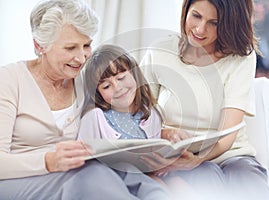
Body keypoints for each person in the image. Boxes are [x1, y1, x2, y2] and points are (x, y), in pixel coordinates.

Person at [0, 1, 168, 200]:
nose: (81, 58)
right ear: (40, 46)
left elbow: (115, 116)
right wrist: (48, 161)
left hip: (79, 169)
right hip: (22, 179)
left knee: (136, 178)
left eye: (86, 45)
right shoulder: (9, 80)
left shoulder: (84, 79)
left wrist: (166, 132)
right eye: (70, 48)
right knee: (94, 175)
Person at [140, 0, 269, 200]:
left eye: (215, 23)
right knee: (205, 177)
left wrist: (198, 159)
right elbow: (136, 113)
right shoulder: (160, 51)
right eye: (196, 16)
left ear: (230, 23)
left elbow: (227, 133)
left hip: (230, 153)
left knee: (249, 182)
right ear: (186, 10)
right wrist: (164, 133)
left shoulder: (240, 58)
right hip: (177, 155)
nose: (200, 29)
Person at [77, 44, 173, 198]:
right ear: (98, 94)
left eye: (121, 77)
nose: (118, 87)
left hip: (147, 175)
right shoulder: (95, 117)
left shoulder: (151, 113)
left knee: (176, 183)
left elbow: (155, 151)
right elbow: (83, 161)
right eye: (107, 86)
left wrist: (160, 164)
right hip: (112, 181)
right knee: (154, 187)